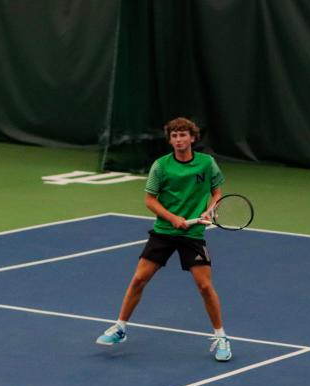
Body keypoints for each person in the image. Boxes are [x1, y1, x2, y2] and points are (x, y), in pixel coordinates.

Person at [96, 117, 231, 362]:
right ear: (170, 140)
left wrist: (210, 209)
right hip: (164, 232)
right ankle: (120, 327)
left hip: (193, 234)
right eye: (175, 136)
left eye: (183, 135)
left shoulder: (206, 164)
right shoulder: (161, 166)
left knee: (204, 286)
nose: (179, 139)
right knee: (139, 279)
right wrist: (173, 218)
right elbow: (150, 200)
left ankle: (221, 337)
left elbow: (217, 192)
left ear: (192, 138)